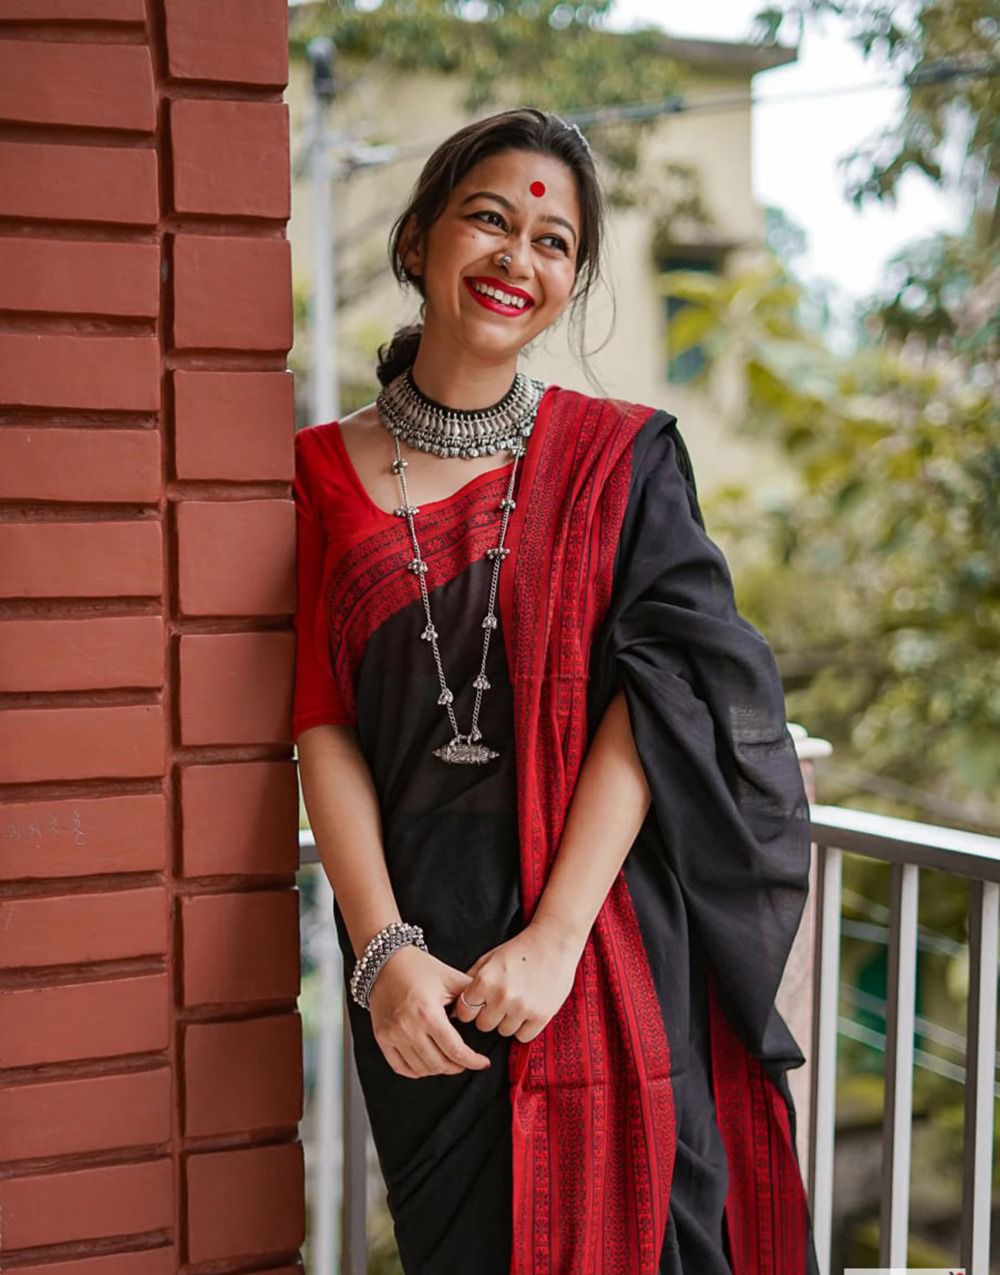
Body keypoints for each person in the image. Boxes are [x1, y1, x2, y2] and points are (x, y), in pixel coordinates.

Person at [293, 106, 819, 1275]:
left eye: (552, 242)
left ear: (571, 283)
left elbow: (664, 691)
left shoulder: (619, 460)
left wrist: (555, 939)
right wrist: (383, 955)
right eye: (488, 219)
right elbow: (322, 720)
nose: (516, 257)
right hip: (424, 969)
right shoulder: (315, 475)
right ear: (419, 237)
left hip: (600, 940)